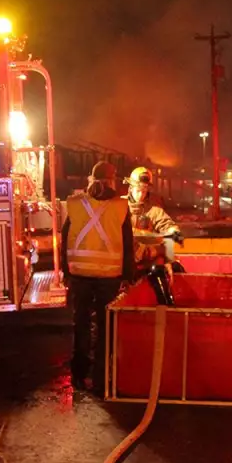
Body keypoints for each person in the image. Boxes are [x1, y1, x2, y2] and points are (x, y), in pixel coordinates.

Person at [60, 161, 134, 396]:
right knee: (105, 328)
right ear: (112, 181)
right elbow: (128, 244)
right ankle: (102, 379)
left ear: (90, 180)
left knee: (80, 324)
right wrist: (128, 277)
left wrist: (66, 271)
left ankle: (79, 375)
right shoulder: (121, 207)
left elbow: (65, 239)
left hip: (79, 275)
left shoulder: (75, 204)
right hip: (108, 277)